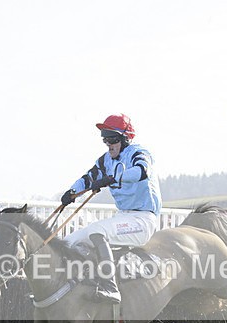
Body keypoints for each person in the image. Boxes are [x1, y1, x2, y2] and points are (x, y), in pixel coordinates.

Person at [59, 114, 161, 303]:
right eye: (105, 139)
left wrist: (114, 177)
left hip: (143, 220)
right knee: (67, 242)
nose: (109, 144)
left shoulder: (140, 153)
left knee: (97, 231)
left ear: (124, 139)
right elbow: (88, 178)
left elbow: (141, 171)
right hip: (122, 217)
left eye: (113, 139)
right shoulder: (105, 160)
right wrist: (72, 192)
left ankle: (110, 288)